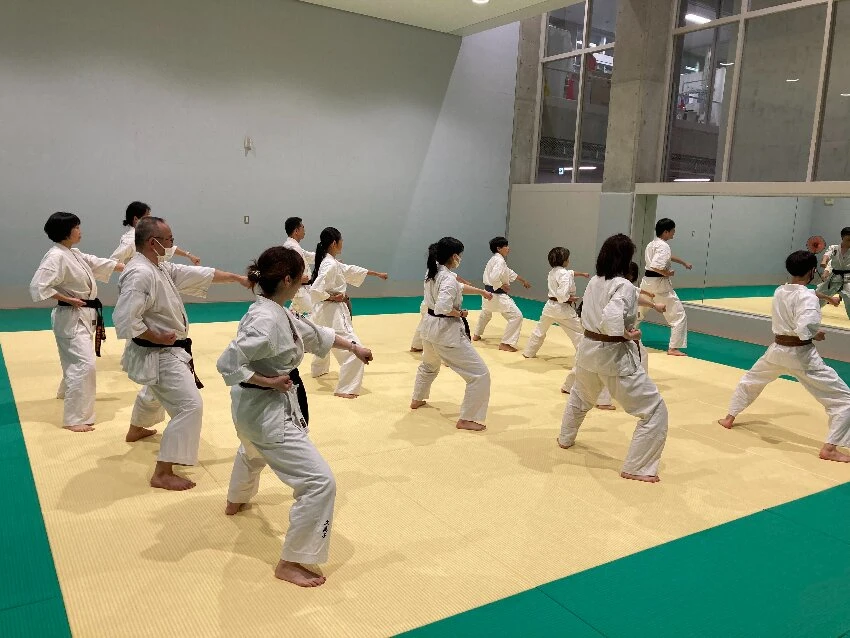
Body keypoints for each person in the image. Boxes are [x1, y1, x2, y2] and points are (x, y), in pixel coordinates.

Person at [218, 246, 372, 587]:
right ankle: (292, 562)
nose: (307, 278)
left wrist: (353, 347)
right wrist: (269, 380)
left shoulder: (276, 311)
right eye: (303, 273)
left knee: (251, 451)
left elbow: (314, 334)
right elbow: (228, 363)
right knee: (319, 483)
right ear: (287, 279)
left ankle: (236, 500)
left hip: (251, 411)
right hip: (265, 410)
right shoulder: (265, 319)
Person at [112, 216, 250, 490]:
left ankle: (137, 428)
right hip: (160, 351)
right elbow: (126, 320)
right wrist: (156, 336)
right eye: (170, 240)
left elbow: (201, 275)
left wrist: (237, 278)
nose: (173, 244)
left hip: (166, 350)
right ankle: (163, 472)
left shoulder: (158, 267)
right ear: (154, 243)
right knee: (190, 406)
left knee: (155, 391)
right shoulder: (140, 273)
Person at [718, 250, 850, 462]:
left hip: (777, 350)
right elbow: (804, 327)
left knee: (752, 380)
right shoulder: (807, 296)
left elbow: (799, 307)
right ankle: (830, 448)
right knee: (844, 400)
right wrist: (815, 334)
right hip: (801, 355)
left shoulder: (780, 290)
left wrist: (811, 328)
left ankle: (729, 417)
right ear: (812, 271)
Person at [557, 234, 669, 483]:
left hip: (587, 350)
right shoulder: (624, 285)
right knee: (654, 410)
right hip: (613, 355)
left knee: (581, 397)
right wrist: (627, 334)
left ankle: (565, 438)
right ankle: (638, 467)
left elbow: (591, 311)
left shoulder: (595, 282)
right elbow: (611, 317)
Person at [29, 212, 123, 432]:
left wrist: (127, 267)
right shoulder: (55, 257)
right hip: (70, 315)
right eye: (77, 227)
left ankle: (65, 392)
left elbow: (96, 263)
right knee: (84, 364)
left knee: (74, 359)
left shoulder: (72, 253)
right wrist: (67, 298)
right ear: (66, 231)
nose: (80, 231)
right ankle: (75, 418)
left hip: (82, 315)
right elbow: (38, 286)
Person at [410, 238, 493, 431]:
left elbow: (458, 287)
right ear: (454, 256)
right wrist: (461, 313)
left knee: (429, 365)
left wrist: (481, 292)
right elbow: (443, 307)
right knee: (480, 374)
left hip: (429, 329)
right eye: (460, 255)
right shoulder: (446, 278)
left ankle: (417, 398)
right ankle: (467, 418)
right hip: (445, 331)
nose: (460, 259)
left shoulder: (433, 271)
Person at [309, 227, 387, 398]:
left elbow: (350, 269)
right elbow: (315, 291)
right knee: (354, 348)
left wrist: (376, 274)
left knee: (324, 340)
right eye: (341, 240)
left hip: (323, 312)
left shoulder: (329, 262)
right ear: (334, 243)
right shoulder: (329, 264)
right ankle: (347, 388)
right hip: (333, 311)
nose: (343, 243)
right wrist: (333, 298)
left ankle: (318, 370)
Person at [638, 218, 692, 356]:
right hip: (660, 285)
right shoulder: (663, 246)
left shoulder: (652, 244)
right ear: (666, 232)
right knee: (679, 316)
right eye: (673, 230)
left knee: (639, 312)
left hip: (647, 283)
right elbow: (656, 265)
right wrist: (668, 273)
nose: (674, 233)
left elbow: (666, 258)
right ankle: (673, 348)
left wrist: (683, 262)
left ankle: (624, 335)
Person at [472, 236, 532, 352]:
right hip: (497, 295)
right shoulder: (499, 261)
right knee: (516, 316)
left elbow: (509, 272)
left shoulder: (494, 259)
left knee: (486, 313)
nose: (508, 248)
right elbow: (495, 277)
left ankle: (476, 334)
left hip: (487, 293)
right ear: (499, 248)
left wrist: (522, 280)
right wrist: (501, 285)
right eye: (506, 246)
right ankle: (506, 343)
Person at [110, 201, 201, 265]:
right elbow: (114, 261)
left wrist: (189, 255)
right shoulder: (131, 239)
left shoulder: (145, 234)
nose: (150, 219)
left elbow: (166, 247)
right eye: (147, 217)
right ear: (136, 219)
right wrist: (133, 269)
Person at [282, 216, 316, 315]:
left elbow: (309, 256)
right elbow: (286, 268)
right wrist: (297, 278)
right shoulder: (291, 247)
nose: (304, 230)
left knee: (294, 316)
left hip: (302, 288)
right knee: (316, 313)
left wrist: (328, 258)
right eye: (303, 227)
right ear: (296, 231)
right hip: (299, 288)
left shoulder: (294, 246)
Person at [816, 227, 850, 318]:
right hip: (833, 277)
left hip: (848, 278)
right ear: (842, 238)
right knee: (818, 295)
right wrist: (824, 261)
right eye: (848, 240)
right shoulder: (834, 248)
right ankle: (808, 313)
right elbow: (827, 255)